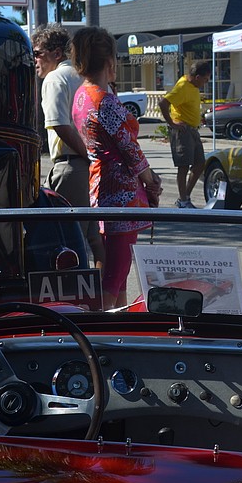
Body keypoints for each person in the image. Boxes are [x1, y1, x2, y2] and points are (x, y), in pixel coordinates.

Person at [70, 27, 162, 310]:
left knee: (115, 269)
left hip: (101, 184)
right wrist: (150, 181)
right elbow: (130, 149)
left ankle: (118, 323)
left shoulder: (82, 96)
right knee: (117, 271)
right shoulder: (105, 101)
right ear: (110, 61)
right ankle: (102, 328)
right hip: (121, 191)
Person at [33, 23, 105, 268]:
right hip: (93, 167)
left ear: (56, 53)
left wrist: (87, 156)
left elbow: (60, 126)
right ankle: (105, 297)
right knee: (96, 240)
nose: (35, 60)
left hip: (72, 165)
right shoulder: (85, 77)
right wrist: (96, 159)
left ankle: (80, 301)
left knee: (69, 243)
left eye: (38, 53)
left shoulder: (55, 78)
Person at [158, 60, 212, 208]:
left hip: (193, 130)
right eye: (205, 79)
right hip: (183, 131)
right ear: (197, 77)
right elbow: (163, 103)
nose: (205, 83)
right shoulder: (183, 86)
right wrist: (172, 123)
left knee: (200, 164)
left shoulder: (192, 85)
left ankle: (184, 196)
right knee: (183, 166)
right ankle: (183, 200)